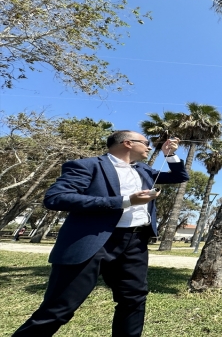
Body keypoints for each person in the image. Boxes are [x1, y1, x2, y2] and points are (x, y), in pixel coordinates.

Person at [13, 130, 189, 337]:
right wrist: (125, 201)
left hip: (135, 242)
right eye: (146, 142)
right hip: (91, 241)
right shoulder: (87, 165)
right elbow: (56, 198)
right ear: (128, 143)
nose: (150, 147)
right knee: (60, 308)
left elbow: (180, 176)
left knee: (133, 300)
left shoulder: (144, 169)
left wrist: (169, 154)